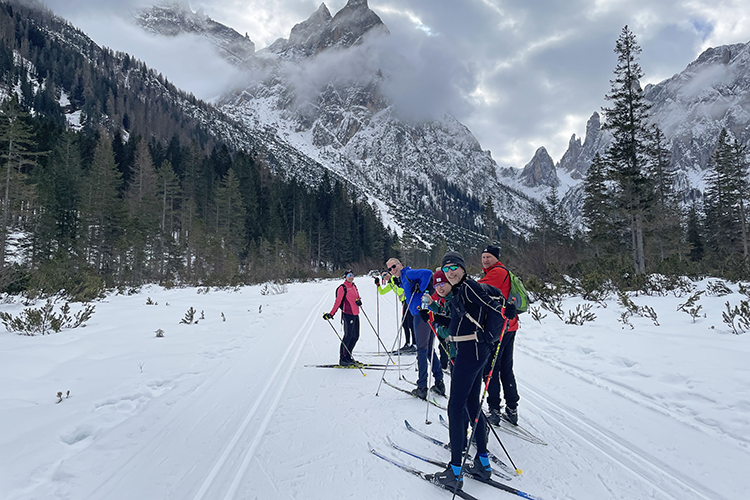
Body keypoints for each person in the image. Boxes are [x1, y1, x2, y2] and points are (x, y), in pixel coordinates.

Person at [420, 251, 516, 491]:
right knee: (472, 405)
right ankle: (482, 464)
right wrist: (433, 316)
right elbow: (456, 321)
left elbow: (489, 302)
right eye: (447, 268)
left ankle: (454, 472)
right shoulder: (461, 291)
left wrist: (508, 310)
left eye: (455, 267)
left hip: (469, 352)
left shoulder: (469, 287)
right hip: (473, 350)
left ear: (463, 269)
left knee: (456, 407)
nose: (451, 271)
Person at [385, 258, 444, 399]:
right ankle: (439, 382)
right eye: (390, 269)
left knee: (422, 350)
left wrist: (423, 288)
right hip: (426, 313)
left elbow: (428, 273)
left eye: (394, 266)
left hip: (421, 315)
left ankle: (422, 386)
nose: (392, 270)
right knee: (429, 349)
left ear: (400, 265)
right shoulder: (403, 278)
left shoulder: (407, 274)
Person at [479, 245, 520, 426]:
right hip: (508, 326)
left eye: (489, 257)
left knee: (491, 368)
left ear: (496, 258)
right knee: (505, 367)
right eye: (483, 257)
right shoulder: (497, 272)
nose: (486, 260)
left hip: (500, 328)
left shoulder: (497, 272)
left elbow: (479, 289)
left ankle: (494, 409)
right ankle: (511, 409)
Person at [323, 269, 362, 366]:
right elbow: (338, 302)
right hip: (348, 314)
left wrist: (359, 301)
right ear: (345, 277)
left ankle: (348, 357)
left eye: (352, 275)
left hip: (356, 313)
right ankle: (343, 359)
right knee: (348, 336)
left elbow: (357, 297)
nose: (351, 277)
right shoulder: (342, 288)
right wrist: (331, 314)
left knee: (355, 336)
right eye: (349, 275)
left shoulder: (353, 286)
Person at [375, 272, 416, 352]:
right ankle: (407, 343)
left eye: (386, 274)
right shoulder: (390, 284)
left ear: (389, 273)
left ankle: (415, 344)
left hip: (409, 301)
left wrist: (398, 283)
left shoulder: (396, 278)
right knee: (404, 324)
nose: (385, 277)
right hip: (404, 303)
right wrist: (378, 285)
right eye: (383, 276)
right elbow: (382, 292)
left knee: (410, 323)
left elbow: (405, 286)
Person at [426, 269, 455, 372]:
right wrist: (431, 304)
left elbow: (453, 325)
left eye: (442, 283)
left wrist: (434, 318)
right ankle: (444, 365)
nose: (439, 288)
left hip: (459, 353)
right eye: (436, 285)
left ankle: (444, 365)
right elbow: (443, 312)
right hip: (452, 351)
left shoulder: (454, 300)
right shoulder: (447, 298)